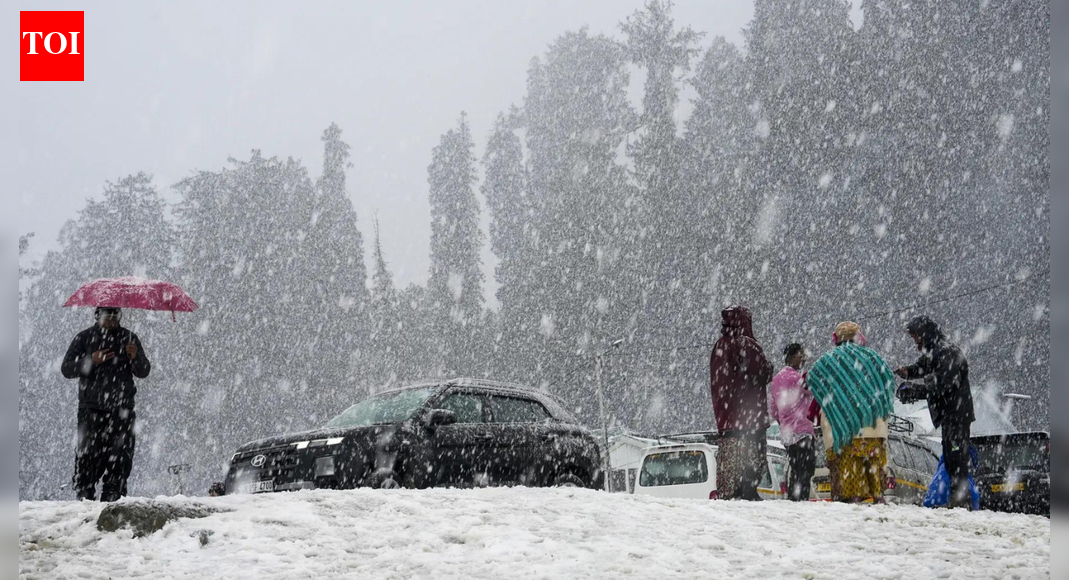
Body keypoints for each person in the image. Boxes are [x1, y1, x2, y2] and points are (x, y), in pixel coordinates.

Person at [61, 307, 151, 501]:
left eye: (114, 317)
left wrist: (135, 356)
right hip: (91, 409)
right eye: (106, 317)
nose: (111, 321)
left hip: (122, 410)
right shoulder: (84, 338)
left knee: (120, 460)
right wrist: (91, 360)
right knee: (87, 460)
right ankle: (85, 500)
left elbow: (144, 371)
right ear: (97, 317)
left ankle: (114, 500)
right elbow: (67, 369)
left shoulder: (129, 338)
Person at [808, 322, 895, 503]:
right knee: (874, 476)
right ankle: (878, 499)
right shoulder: (872, 357)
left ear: (837, 338)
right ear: (858, 336)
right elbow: (888, 381)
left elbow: (812, 378)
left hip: (841, 429)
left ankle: (852, 502)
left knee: (849, 478)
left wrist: (838, 402)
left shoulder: (827, 361)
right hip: (872, 426)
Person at [895, 315, 975, 509]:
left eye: (916, 336)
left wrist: (916, 391)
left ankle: (961, 500)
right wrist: (907, 372)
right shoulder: (935, 350)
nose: (915, 341)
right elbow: (922, 367)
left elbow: (943, 385)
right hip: (949, 415)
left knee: (956, 457)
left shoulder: (947, 352)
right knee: (950, 456)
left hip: (957, 414)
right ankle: (957, 500)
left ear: (925, 334)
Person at [709, 306, 774, 500]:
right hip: (750, 416)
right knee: (753, 458)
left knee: (731, 461)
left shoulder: (719, 345)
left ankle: (733, 492)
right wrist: (769, 366)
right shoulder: (746, 344)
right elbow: (762, 372)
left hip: (726, 418)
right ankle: (748, 491)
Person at [769, 343, 819, 501]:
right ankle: (801, 500)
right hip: (802, 429)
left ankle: (793, 499)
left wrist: (783, 422)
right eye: (800, 355)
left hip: (787, 433)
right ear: (791, 357)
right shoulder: (797, 378)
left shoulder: (776, 380)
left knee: (795, 468)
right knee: (806, 470)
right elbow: (813, 390)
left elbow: (773, 409)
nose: (804, 358)